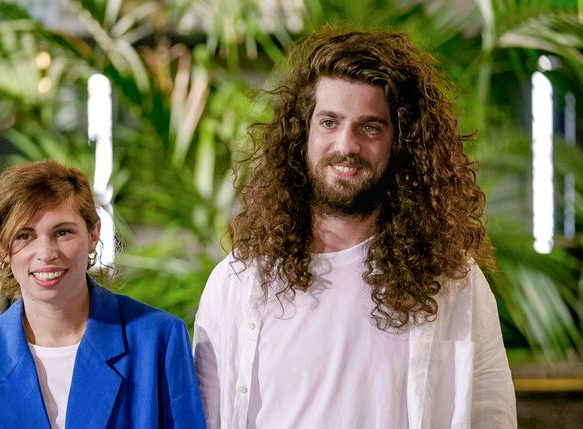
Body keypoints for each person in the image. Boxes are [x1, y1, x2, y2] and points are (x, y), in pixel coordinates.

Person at [193, 29, 517, 428]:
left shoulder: (452, 283)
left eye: (370, 127)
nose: (347, 145)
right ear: (302, 134)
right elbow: (204, 417)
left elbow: (492, 416)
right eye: (329, 122)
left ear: (400, 142)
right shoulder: (237, 283)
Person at [0, 160, 206, 429]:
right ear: (0, 247)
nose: (46, 253)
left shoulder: (158, 341)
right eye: (24, 236)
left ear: (93, 234)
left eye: (63, 232)